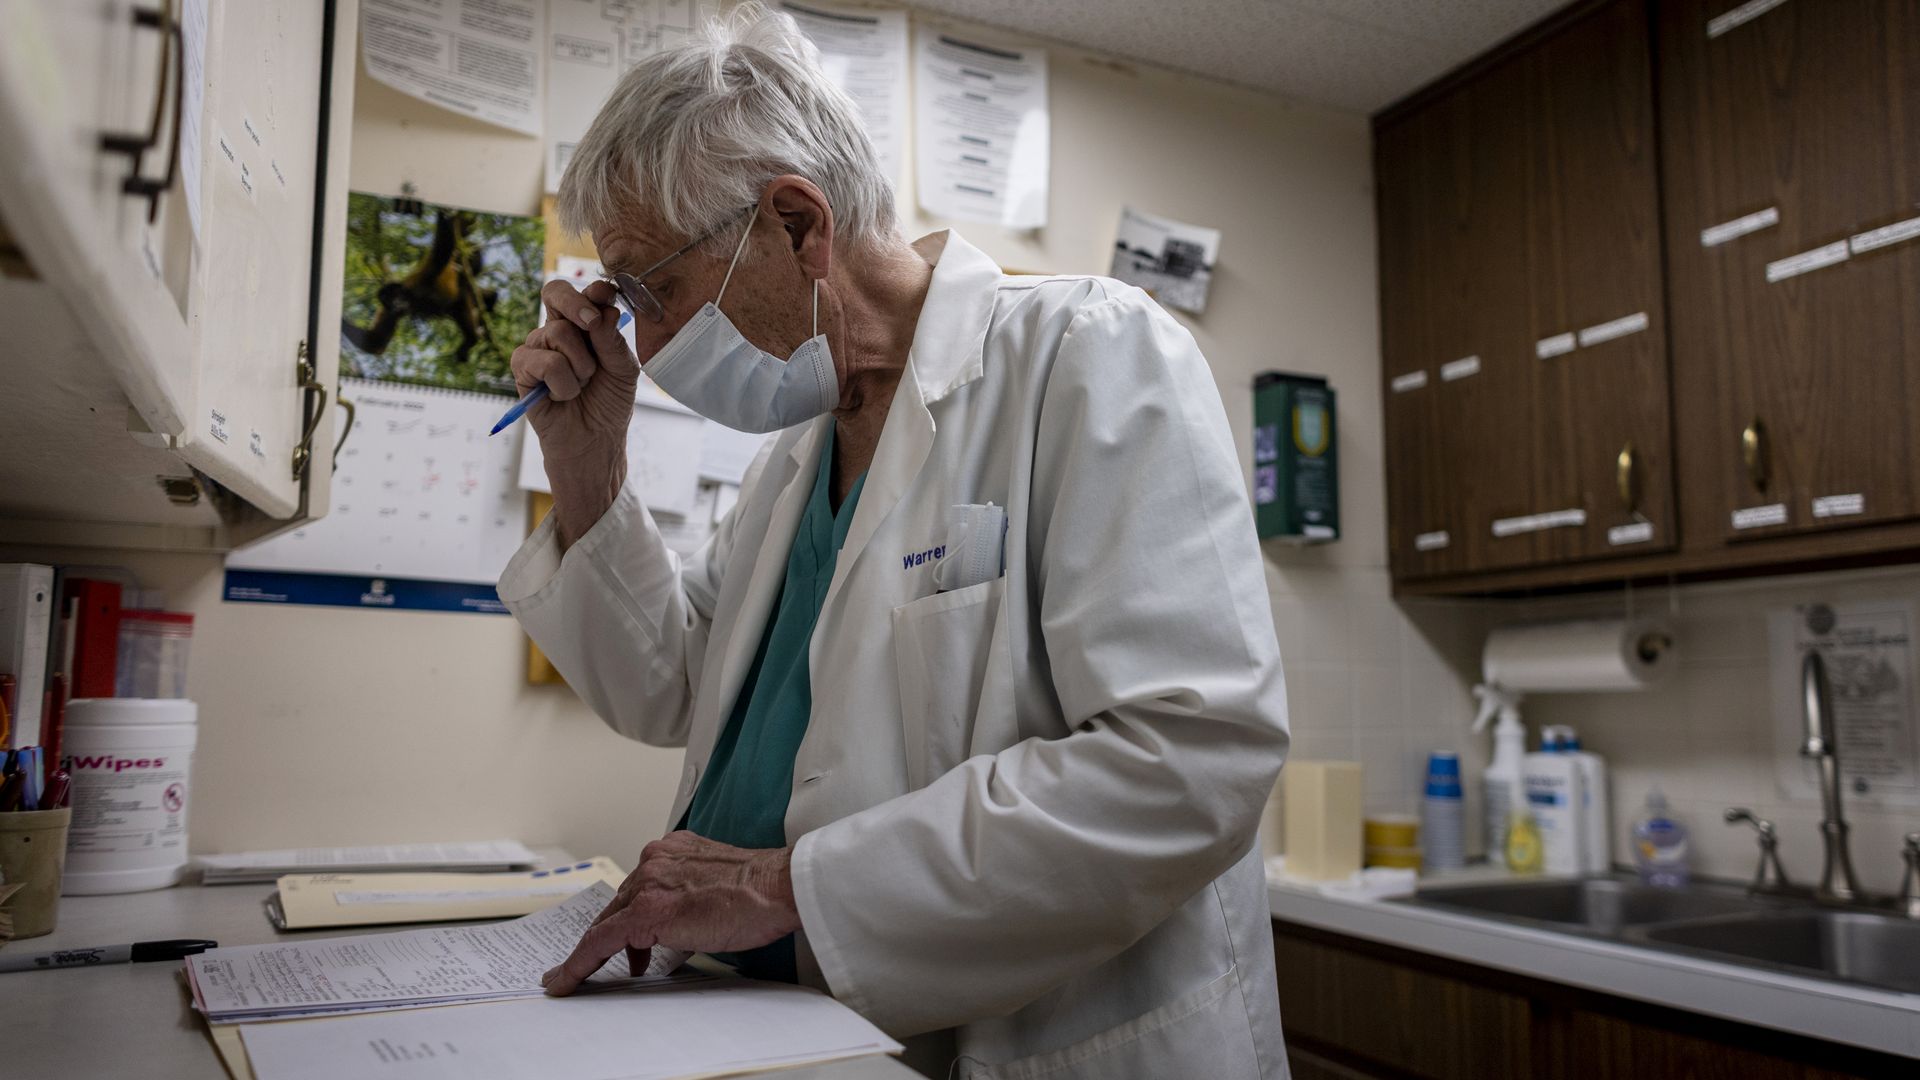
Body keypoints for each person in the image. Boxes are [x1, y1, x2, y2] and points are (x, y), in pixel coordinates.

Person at [501, 6, 1291, 1077]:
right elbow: (669, 686)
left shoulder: (1088, 357)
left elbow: (1193, 757)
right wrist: (588, 468)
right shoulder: (799, 447)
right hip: (791, 1028)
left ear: (796, 224)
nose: (644, 342)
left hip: (1030, 1042)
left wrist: (786, 888)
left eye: (654, 290)